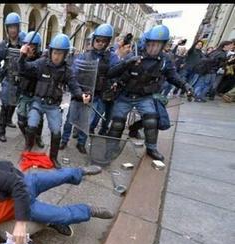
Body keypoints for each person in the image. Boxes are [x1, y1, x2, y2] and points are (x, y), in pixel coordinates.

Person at [106, 25, 193, 161]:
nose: (153, 48)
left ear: (163, 45)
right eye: (151, 44)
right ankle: (111, 147)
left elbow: (173, 76)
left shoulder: (165, 60)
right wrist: (127, 62)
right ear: (146, 43)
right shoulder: (134, 54)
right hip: (126, 94)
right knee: (117, 122)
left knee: (151, 120)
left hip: (144, 97)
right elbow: (112, 73)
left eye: (157, 45)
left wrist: (185, 85)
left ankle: (151, 148)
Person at [20, 33, 86, 169]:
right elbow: (24, 68)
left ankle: (53, 157)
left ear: (65, 54)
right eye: (55, 52)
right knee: (31, 125)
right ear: (50, 51)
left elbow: (74, 86)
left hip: (53, 106)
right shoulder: (41, 63)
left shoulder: (67, 70)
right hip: (38, 102)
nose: (56, 56)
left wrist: (81, 95)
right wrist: (22, 56)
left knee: (56, 132)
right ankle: (27, 149)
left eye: (60, 53)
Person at [61, 23, 120, 154]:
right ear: (94, 40)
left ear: (108, 42)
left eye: (104, 41)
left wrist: (116, 80)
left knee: (87, 121)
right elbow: (74, 74)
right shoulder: (83, 56)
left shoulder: (111, 57)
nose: (100, 43)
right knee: (70, 118)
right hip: (80, 94)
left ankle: (81, 143)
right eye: (98, 40)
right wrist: (78, 92)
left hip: (96, 95)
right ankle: (64, 140)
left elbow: (116, 71)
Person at [0, 12, 23, 142]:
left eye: (15, 27)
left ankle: (10, 120)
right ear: (7, 28)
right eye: (10, 27)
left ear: (18, 27)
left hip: (21, 81)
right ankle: (2, 131)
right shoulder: (3, 45)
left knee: (15, 105)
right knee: (4, 106)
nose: (12, 30)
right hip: (8, 80)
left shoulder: (25, 42)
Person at [16, 31, 45, 149]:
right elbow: (20, 69)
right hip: (24, 93)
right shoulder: (22, 59)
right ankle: (28, 138)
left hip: (37, 96)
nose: (29, 50)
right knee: (21, 121)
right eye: (27, 46)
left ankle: (38, 137)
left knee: (38, 120)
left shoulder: (42, 61)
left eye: (32, 47)